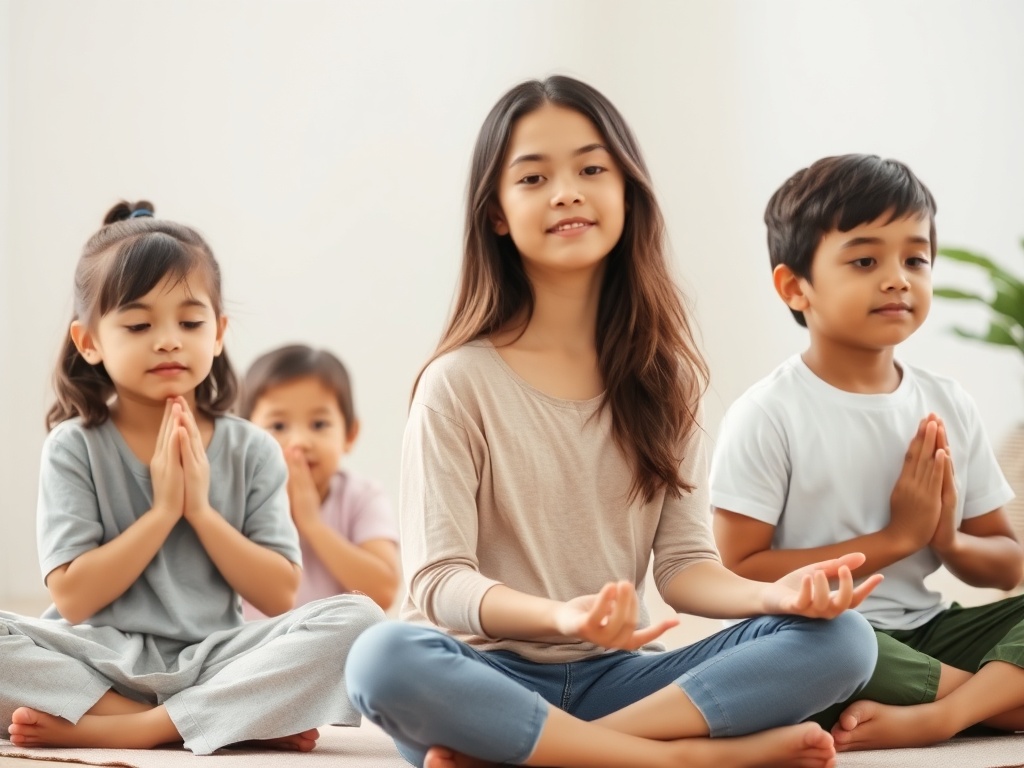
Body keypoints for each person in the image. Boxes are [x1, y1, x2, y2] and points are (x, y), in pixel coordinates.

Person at [344, 76, 881, 768]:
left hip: (616, 683)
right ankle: (678, 759)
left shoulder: (664, 379)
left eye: (592, 168)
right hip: (484, 677)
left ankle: (548, 754)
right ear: (498, 214)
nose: (567, 191)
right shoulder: (458, 382)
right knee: (381, 657)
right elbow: (440, 583)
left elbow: (685, 566)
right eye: (533, 177)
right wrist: (559, 616)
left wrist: (772, 595)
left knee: (844, 640)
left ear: (627, 192)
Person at [0, 201, 385, 754]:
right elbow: (75, 598)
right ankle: (219, 718)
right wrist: (162, 512)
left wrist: (200, 511)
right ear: (89, 342)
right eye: (138, 324)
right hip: (93, 659)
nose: (168, 340)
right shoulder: (73, 446)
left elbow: (278, 594)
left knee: (361, 621)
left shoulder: (252, 447)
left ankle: (143, 727)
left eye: (190, 321)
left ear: (220, 332)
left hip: (215, 658)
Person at [710, 153, 1024, 751]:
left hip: (929, 629)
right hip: (828, 639)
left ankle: (940, 717)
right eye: (864, 260)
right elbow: (737, 573)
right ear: (794, 286)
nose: (897, 278)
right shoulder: (768, 413)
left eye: (915, 258)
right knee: (833, 646)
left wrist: (947, 539)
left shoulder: (946, 402)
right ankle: (997, 700)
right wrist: (896, 540)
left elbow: (1008, 565)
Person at [238, 344, 399, 615]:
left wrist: (311, 523)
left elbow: (383, 592)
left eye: (319, 425)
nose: (300, 441)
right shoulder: (236, 498)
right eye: (278, 426)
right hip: (258, 646)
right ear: (244, 436)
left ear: (350, 435)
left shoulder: (362, 496)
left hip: (333, 646)